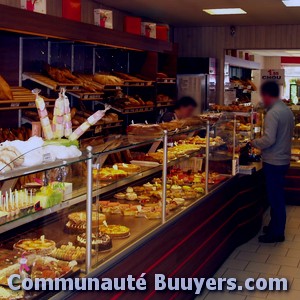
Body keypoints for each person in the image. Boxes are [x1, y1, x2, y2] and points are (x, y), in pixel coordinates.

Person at [251, 81, 294, 243]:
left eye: (263, 96)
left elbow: (269, 139)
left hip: (274, 161)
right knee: (277, 196)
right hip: (283, 159)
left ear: (268, 95)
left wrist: (254, 143)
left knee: (275, 198)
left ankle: (277, 233)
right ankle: (275, 225)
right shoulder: (286, 110)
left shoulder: (273, 113)